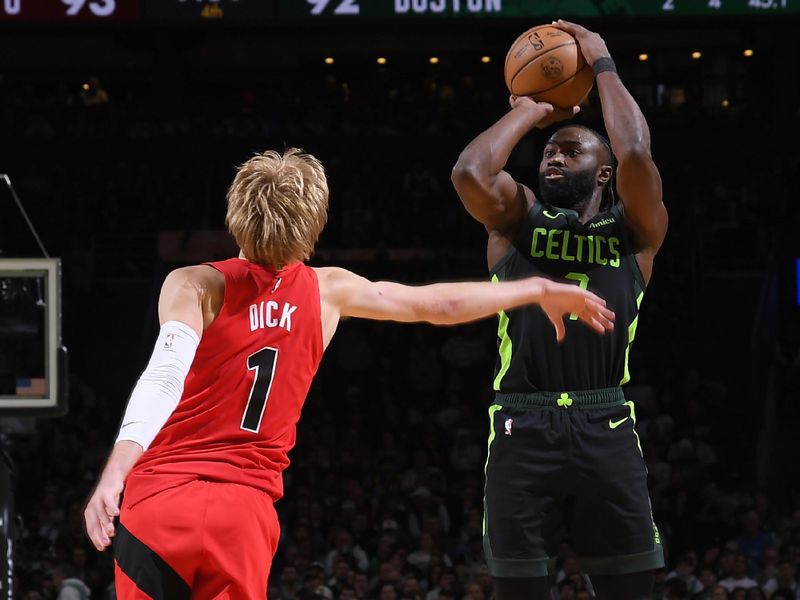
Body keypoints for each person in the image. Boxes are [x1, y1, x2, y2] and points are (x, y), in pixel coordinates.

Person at [83, 148, 614, 599]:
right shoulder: (328, 290)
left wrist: (114, 473)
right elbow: (434, 303)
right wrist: (538, 289)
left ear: (234, 213)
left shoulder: (194, 283)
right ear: (313, 224)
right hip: (241, 515)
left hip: (159, 505)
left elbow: (164, 373)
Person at [450, 20, 668, 600]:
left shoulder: (635, 232)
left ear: (603, 173)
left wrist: (601, 64)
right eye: (548, 152)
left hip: (606, 420)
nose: (552, 157)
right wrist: (530, 111)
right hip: (522, 421)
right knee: (518, 591)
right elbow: (470, 172)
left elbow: (636, 151)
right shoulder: (515, 219)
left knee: (632, 591)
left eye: (570, 151)